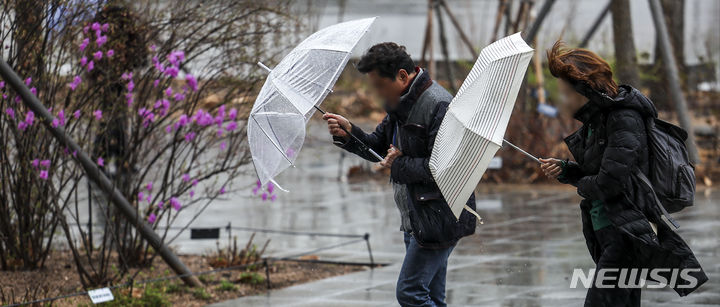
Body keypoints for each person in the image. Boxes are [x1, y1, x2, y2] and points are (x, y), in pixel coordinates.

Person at [540, 41, 707, 307]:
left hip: (624, 230)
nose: (561, 99)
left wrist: (582, 184)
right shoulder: (597, 120)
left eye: (564, 91)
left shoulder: (623, 117)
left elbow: (611, 181)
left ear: (583, 88)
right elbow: (597, 171)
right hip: (607, 228)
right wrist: (565, 170)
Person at [323, 42, 477, 307]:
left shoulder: (439, 105)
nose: (378, 94)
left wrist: (398, 165)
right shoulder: (399, 103)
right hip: (415, 217)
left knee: (411, 293)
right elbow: (377, 146)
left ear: (403, 76)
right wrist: (349, 132)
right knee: (432, 297)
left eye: (380, 85)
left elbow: (447, 167)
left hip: (438, 217)